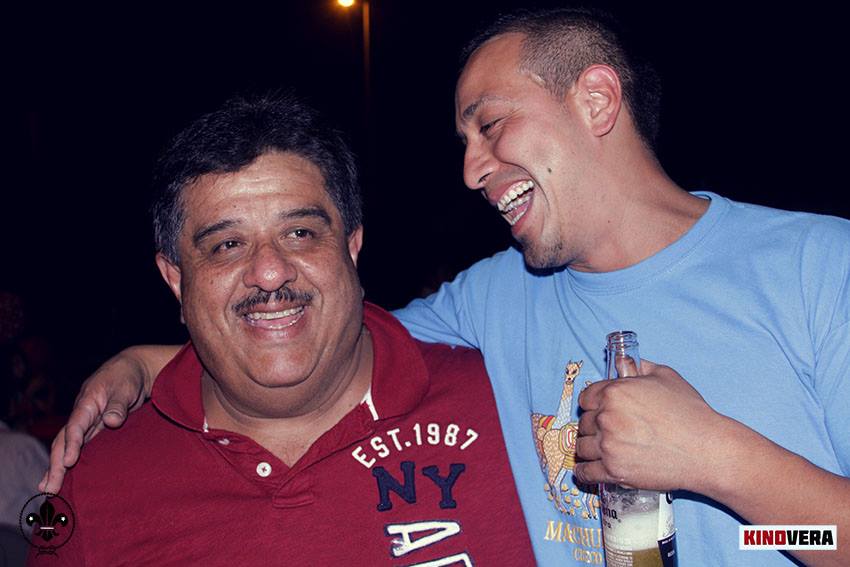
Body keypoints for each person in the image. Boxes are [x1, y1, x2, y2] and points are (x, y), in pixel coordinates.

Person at [42, 8, 849, 566]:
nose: (470, 169)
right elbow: (316, 332)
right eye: (463, 139)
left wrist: (718, 460)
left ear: (596, 100)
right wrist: (147, 361)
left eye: (489, 124)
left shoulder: (818, 268)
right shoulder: (495, 300)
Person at [28, 93, 533, 565]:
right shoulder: (92, 484)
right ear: (176, 280)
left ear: (352, 249)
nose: (270, 272)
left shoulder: (511, 400)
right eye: (227, 245)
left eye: (300, 233)